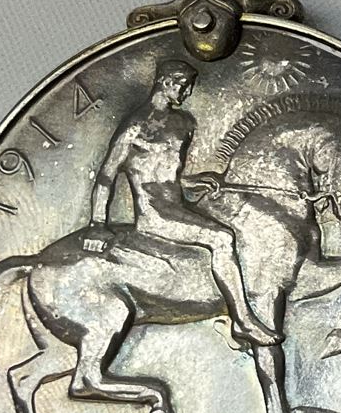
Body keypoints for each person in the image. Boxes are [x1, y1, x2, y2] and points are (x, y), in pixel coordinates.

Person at [88, 58, 279, 346]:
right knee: (222, 237)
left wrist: (197, 181)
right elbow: (106, 177)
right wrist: (97, 224)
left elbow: (167, 177)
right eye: (183, 85)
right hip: (155, 217)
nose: (187, 92)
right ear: (165, 82)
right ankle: (242, 320)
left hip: (177, 206)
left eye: (189, 86)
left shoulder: (184, 123)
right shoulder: (134, 127)